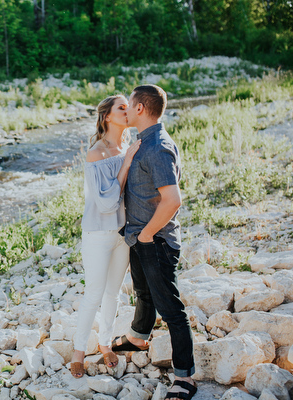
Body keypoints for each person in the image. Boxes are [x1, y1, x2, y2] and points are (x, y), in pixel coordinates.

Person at [112, 84, 197, 400]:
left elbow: (173, 199)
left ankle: (185, 378)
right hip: (140, 236)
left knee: (171, 309)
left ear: (140, 109)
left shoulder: (157, 146)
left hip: (155, 240)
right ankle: (137, 337)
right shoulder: (144, 142)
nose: (127, 109)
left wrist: (147, 234)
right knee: (143, 292)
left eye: (130, 104)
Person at [70, 95, 141, 378]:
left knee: (114, 294)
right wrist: (126, 165)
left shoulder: (128, 146)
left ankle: (105, 343)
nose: (127, 111)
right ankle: (77, 352)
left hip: (122, 233)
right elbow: (107, 203)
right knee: (93, 294)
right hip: (98, 234)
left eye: (128, 107)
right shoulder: (96, 153)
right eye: (121, 108)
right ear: (107, 117)